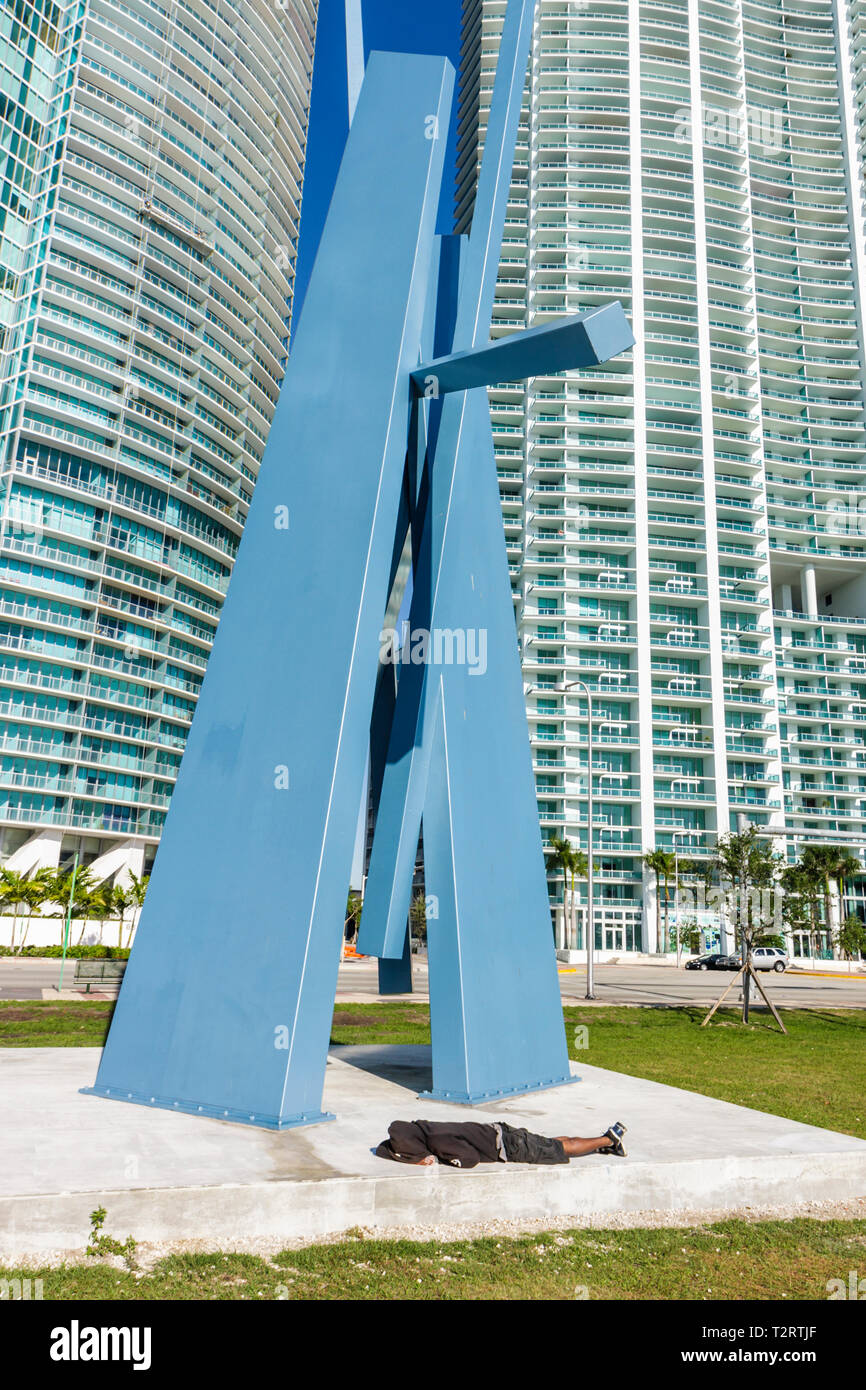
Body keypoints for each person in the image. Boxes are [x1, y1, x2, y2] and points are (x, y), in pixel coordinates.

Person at [375, 1118, 627, 1168]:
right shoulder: (425, 1128)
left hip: (509, 1147)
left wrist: (442, 1158)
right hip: (501, 1131)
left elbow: (470, 1160)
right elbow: (385, 1148)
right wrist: (417, 1158)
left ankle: (609, 1138)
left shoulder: (438, 1141)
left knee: (561, 1148)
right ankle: (603, 1145)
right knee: (552, 1142)